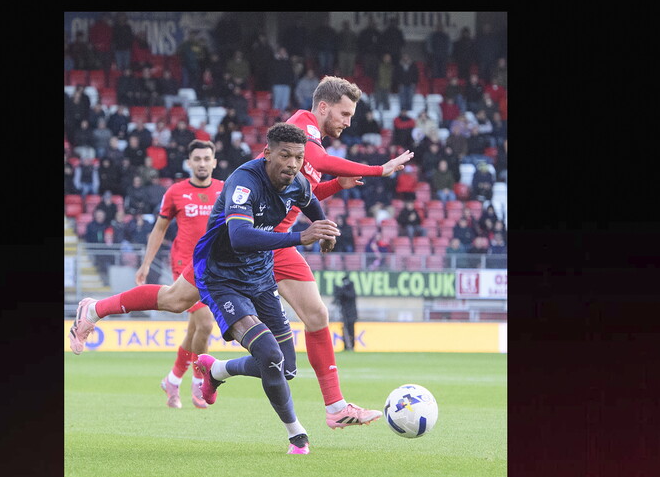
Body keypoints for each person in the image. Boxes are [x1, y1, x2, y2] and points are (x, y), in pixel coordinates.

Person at [69, 76, 414, 431]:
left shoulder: (311, 145)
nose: (348, 122)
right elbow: (320, 161)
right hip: (249, 241)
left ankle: (333, 406)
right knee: (174, 300)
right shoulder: (300, 130)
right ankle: (95, 309)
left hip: (275, 245)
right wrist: (377, 169)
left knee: (317, 316)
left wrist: (332, 193)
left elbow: (303, 194)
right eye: (345, 113)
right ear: (323, 107)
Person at [189, 122, 341, 454]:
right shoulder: (244, 182)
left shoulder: (296, 181)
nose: (292, 164)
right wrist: (302, 236)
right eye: (285, 155)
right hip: (221, 277)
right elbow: (239, 238)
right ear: (268, 153)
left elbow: (310, 201)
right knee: (269, 355)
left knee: (285, 368)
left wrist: (324, 228)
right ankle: (297, 435)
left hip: (260, 276)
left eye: (298, 157)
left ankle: (216, 370)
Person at [131, 140, 225, 409]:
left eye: (207, 158)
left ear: (215, 162)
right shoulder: (175, 192)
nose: (202, 163)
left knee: (196, 327)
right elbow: (159, 229)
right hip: (185, 264)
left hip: (215, 266)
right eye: (197, 158)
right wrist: (146, 263)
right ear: (189, 162)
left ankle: (172, 380)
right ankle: (199, 382)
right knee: (205, 323)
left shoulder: (224, 189)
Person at [333, 275, 358, 351]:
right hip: (344, 314)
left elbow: (350, 295)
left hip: (351, 315)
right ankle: (346, 346)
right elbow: (337, 299)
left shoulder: (351, 290)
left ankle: (351, 346)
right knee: (345, 330)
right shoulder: (345, 291)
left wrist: (341, 291)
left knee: (350, 330)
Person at [270, 46, 294, 113]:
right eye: (281, 51)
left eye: (284, 51)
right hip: (277, 84)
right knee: (277, 103)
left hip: (286, 85)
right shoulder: (274, 62)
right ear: (279, 52)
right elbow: (271, 73)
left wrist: (289, 82)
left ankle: (284, 120)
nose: (283, 53)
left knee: (285, 104)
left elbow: (291, 73)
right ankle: (276, 119)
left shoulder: (288, 62)